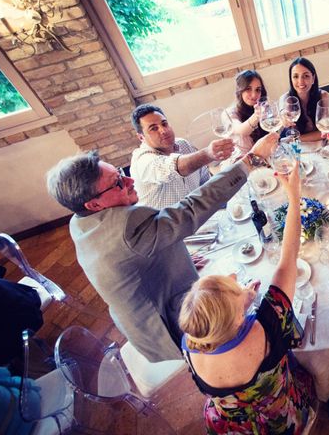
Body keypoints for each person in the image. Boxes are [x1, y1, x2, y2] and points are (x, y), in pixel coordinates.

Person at [46, 134, 277, 362]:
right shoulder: (127, 228)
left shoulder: (80, 220)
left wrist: (170, 260)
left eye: (120, 173)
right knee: (259, 327)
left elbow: (134, 256)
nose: (129, 181)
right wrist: (250, 160)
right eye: (117, 183)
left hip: (143, 312)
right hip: (167, 328)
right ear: (94, 204)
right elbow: (191, 209)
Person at [179, 162, 316, 434]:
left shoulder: (193, 336)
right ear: (239, 318)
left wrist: (241, 299)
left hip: (226, 425)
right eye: (232, 287)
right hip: (279, 422)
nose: (232, 277)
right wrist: (294, 194)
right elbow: (288, 255)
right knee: (312, 376)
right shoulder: (268, 322)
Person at [129, 104, 235, 210]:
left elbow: (206, 181)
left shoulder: (183, 144)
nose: (163, 130)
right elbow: (173, 167)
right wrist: (208, 154)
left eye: (164, 124)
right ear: (141, 137)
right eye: (154, 128)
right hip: (168, 225)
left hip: (200, 216)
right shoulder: (142, 161)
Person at [279, 57, 328, 141]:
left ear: (313, 78)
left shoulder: (323, 96)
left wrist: (299, 138)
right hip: (298, 148)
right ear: (291, 79)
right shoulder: (286, 99)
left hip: (319, 146)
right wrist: (283, 117)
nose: (300, 81)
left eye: (306, 76)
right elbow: (284, 114)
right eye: (295, 76)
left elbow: (325, 131)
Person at [228, 70, 269, 154]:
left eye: (257, 90)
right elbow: (241, 131)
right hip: (242, 162)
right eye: (248, 89)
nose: (254, 95)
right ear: (240, 90)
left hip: (264, 158)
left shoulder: (263, 108)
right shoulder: (229, 113)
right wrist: (256, 116)